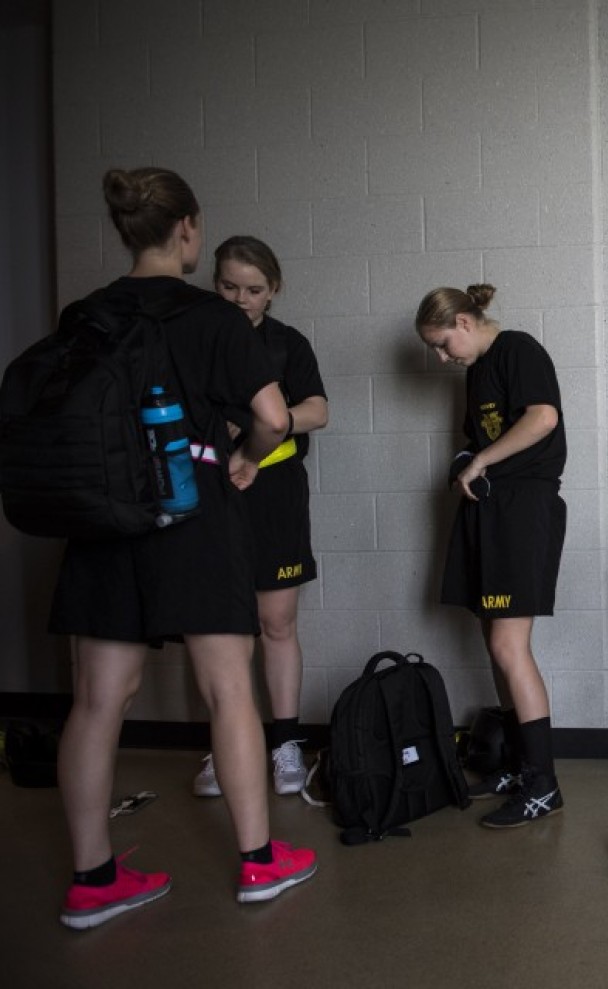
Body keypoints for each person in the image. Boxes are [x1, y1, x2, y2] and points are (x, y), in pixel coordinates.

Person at [51, 168, 316, 929]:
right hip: (195, 515)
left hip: (105, 520)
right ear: (189, 229)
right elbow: (272, 415)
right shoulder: (215, 319)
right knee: (229, 688)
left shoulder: (84, 315)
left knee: (98, 700)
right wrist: (244, 457)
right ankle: (260, 862)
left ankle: (93, 878)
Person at [415, 283, 567, 829]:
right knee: (492, 638)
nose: (441, 358)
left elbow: (543, 418)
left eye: (441, 344)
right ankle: (522, 765)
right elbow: (476, 438)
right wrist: (466, 461)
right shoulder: (478, 369)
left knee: (509, 645)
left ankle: (544, 785)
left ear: (462, 321)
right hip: (491, 509)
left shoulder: (518, 349)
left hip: (524, 509)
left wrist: (480, 461)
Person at [191, 236, 328, 799]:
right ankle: (226, 743)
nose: (240, 298)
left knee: (276, 624)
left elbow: (317, 410)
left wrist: (258, 428)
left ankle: (285, 745)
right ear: (213, 283)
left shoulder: (286, 343)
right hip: (208, 493)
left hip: (273, 495)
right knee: (218, 630)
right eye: (228, 286)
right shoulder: (193, 339)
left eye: (253, 289)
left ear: (273, 291)